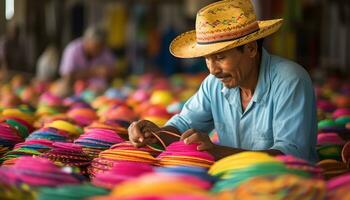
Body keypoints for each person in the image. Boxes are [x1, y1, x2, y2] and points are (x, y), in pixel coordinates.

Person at [128, 0, 318, 163]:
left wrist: (217, 152)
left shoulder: (290, 81)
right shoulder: (214, 84)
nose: (212, 70)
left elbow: (291, 158)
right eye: (207, 58)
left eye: (220, 57)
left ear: (251, 49)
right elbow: (183, 124)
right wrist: (154, 134)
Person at [59, 25, 116, 94]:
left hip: (97, 88)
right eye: (96, 46)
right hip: (73, 87)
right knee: (62, 90)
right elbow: (67, 76)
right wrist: (95, 72)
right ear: (86, 41)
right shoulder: (73, 49)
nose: (98, 49)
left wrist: (109, 73)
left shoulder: (104, 50)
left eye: (101, 46)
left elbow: (113, 72)